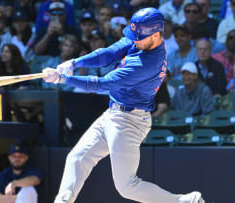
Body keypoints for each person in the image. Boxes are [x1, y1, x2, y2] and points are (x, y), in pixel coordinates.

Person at [42, 8, 204, 203]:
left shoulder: (147, 63)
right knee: (77, 159)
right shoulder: (142, 39)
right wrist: (75, 62)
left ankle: (182, 201)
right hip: (114, 113)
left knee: (127, 187)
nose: (133, 40)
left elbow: (103, 84)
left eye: (138, 37)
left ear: (155, 34)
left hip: (129, 121)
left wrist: (63, 78)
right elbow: (109, 53)